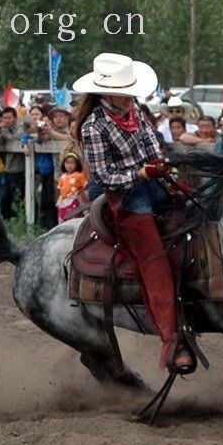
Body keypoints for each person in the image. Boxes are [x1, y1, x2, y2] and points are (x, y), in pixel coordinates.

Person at [73, 52, 195, 372]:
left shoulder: (135, 111)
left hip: (154, 182)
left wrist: (159, 164)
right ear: (106, 91)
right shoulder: (94, 126)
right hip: (126, 197)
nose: (131, 96)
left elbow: (153, 146)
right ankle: (171, 341)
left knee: (198, 216)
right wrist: (139, 175)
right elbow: (103, 176)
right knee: (152, 258)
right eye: (125, 91)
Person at [56, 152, 88, 222]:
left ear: (77, 164)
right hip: (63, 201)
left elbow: (85, 187)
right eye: (67, 163)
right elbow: (60, 190)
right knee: (63, 218)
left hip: (74, 200)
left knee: (73, 218)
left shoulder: (79, 176)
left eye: (72, 163)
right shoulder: (62, 177)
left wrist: (78, 194)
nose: (69, 165)